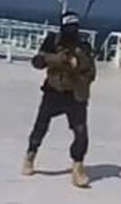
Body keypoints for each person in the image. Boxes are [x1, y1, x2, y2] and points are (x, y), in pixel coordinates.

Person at [22, 10, 97, 188]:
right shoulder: (52, 41)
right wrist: (57, 59)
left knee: (81, 133)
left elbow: (91, 72)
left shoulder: (84, 46)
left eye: (74, 28)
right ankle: (30, 154)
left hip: (75, 94)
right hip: (53, 92)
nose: (72, 32)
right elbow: (37, 62)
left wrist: (78, 64)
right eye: (68, 28)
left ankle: (77, 167)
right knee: (40, 126)